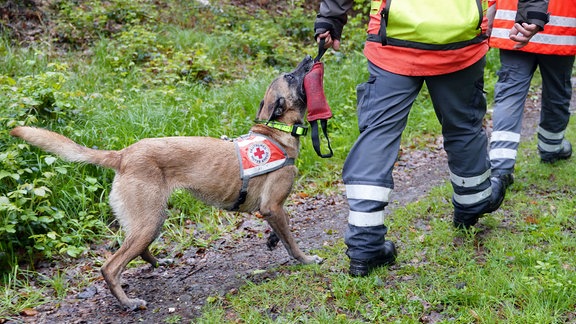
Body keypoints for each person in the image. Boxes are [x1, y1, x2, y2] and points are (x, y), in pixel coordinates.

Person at [312, 0, 548, 277]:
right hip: (459, 42)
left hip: (392, 41)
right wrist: (531, 13)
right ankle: (472, 203)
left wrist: (330, 19)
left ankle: (365, 245)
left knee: (379, 134)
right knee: (463, 127)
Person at [488, 0, 575, 199]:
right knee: (557, 91)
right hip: (560, 25)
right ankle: (551, 148)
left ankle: (500, 168)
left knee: (509, 94)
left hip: (514, 24)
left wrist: (491, 6)